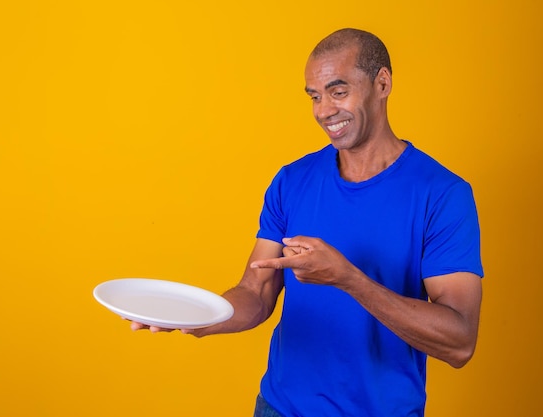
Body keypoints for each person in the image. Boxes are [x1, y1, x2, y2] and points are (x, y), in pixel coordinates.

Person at [131, 28, 484, 417]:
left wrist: (349, 278)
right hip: (280, 408)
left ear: (382, 83)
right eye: (314, 96)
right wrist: (201, 317)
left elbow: (459, 342)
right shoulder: (292, 180)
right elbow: (257, 291)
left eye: (338, 91)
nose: (323, 111)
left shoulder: (442, 193)